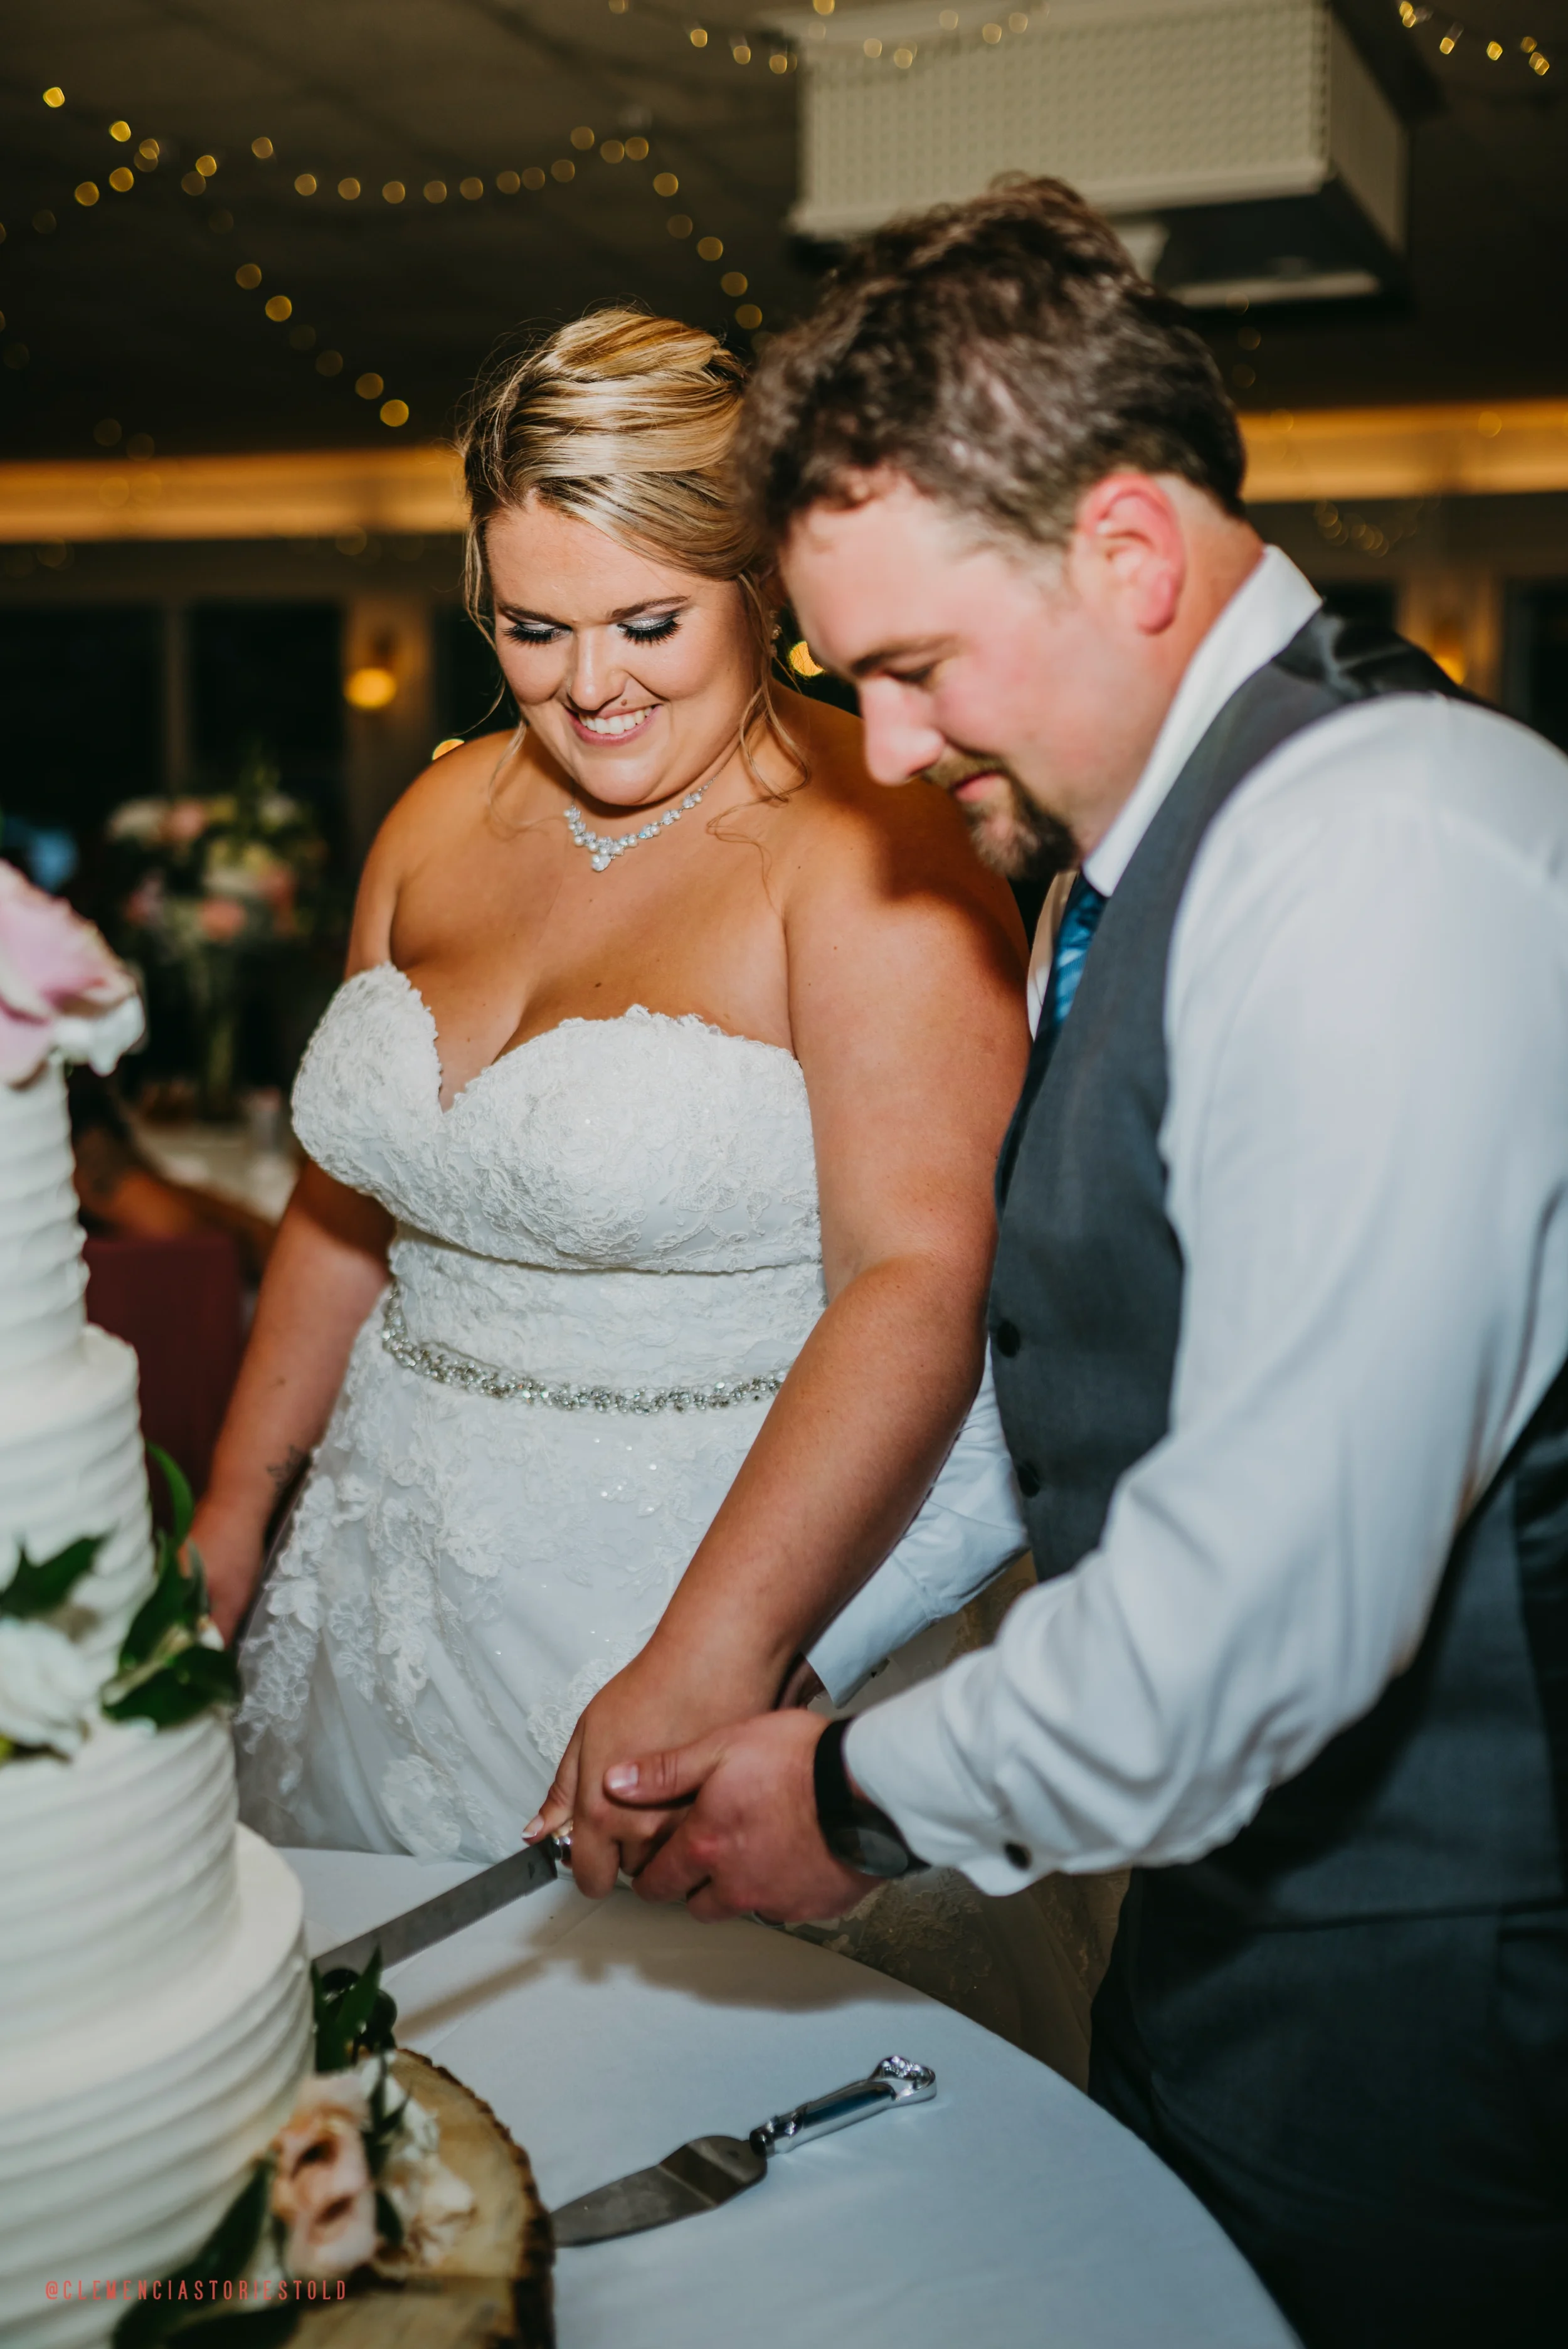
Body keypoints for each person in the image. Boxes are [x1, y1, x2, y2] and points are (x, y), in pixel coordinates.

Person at [601, 186, 1568, 2346]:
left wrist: (848, 1796)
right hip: (1240, 1950)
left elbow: (1264, 1611)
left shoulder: (1383, 855)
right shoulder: (1175, 852)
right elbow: (1111, 1429)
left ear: (1126, 554)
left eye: (918, 668)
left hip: (1450, 2009)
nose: (894, 751)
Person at [193, 307, 1109, 2071]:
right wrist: (239, 1508)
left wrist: (713, 1649)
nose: (588, 683)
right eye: (529, 628)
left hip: (696, 1569)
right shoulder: (437, 813)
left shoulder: (873, 847)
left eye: (646, 623)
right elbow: (348, 1203)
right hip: (375, 1576)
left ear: (759, 579)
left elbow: (919, 1280)